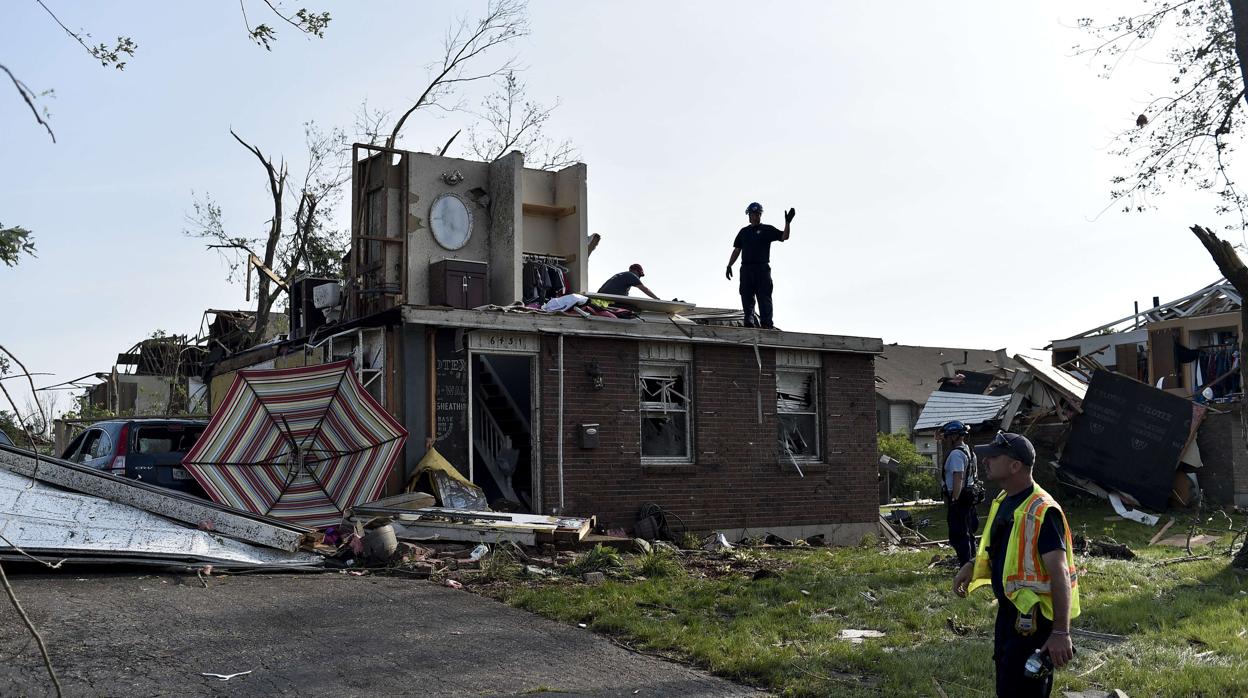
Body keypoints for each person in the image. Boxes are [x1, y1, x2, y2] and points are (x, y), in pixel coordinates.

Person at [952, 432, 1080, 698]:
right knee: (1007, 687)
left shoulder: (1042, 510)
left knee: (1024, 692)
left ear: (1015, 466)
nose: (985, 461)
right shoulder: (1005, 500)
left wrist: (1060, 632)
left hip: (1034, 624)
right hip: (1010, 616)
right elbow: (1007, 550)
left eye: (994, 456)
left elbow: (1060, 574)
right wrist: (973, 564)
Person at [725, 202, 794, 328]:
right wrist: (729, 265)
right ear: (749, 216)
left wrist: (788, 223)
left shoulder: (766, 230)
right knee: (746, 296)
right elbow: (737, 250)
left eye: (758, 214)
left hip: (762, 269)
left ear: (760, 215)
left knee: (764, 297)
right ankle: (749, 322)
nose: (755, 217)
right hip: (746, 269)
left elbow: (784, 236)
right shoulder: (744, 232)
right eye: (753, 214)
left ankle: (767, 325)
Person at [938, 420, 979, 566]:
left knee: (958, 534)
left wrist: (955, 499)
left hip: (959, 497)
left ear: (954, 436)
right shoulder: (969, 451)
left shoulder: (956, 454)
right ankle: (972, 563)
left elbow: (958, 476)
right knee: (968, 532)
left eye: (948, 436)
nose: (946, 440)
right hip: (969, 496)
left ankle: (965, 565)